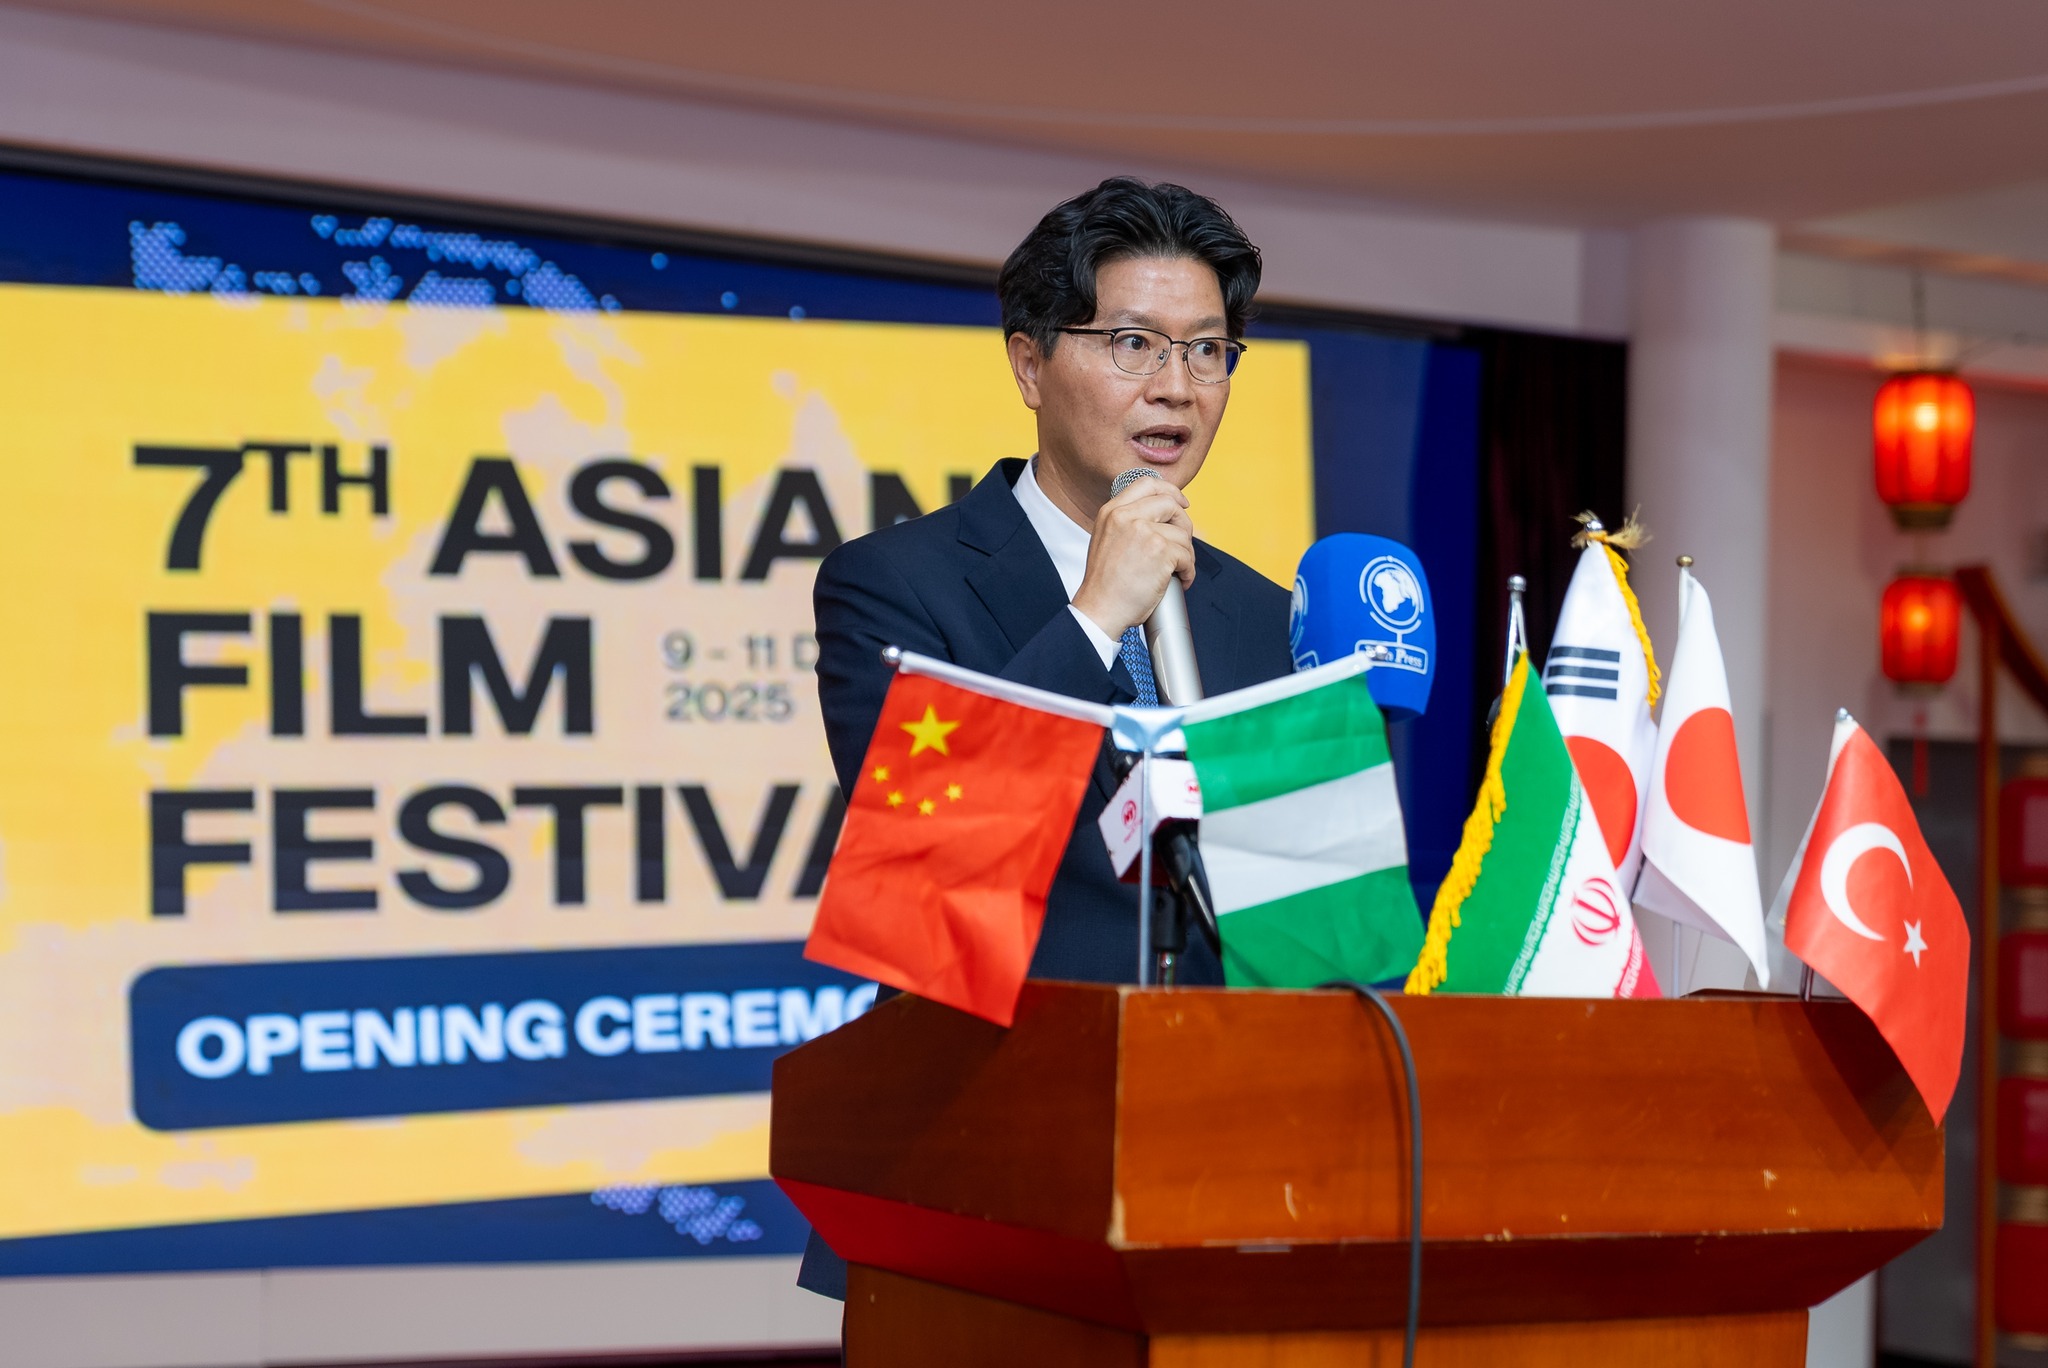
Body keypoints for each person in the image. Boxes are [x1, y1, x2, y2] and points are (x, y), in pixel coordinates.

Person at [799, 177, 1294, 1301]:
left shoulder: (1263, 617)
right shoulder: (894, 584)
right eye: (1132, 342)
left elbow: (1298, 912)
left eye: (1208, 350)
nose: (1176, 386)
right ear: (1028, 364)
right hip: (975, 1176)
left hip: (1227, 1186)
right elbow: (930, 850)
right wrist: (1092, 617)